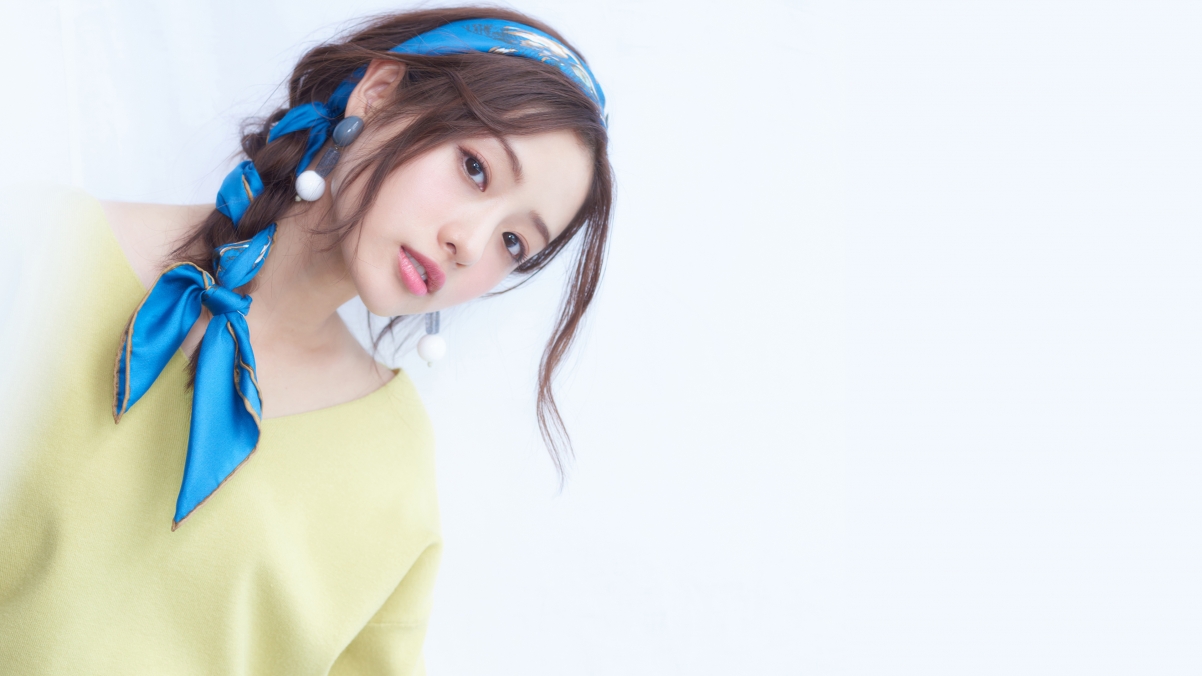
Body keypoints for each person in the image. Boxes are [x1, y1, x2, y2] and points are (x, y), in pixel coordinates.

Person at [0, 6, 613, 674]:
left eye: (514, 243)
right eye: (474, 168)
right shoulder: (41, 247)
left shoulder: (392, 467)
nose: (470, 243)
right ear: (379, 93)